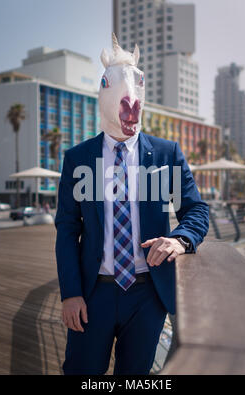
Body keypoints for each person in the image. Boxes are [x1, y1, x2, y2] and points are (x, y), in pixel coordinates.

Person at [55, 34, 209, 375]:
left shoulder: (167, 154)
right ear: (103, 91)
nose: (131, 103)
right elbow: (67, 230)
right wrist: (70, 293)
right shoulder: (78, 158)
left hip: (147, 295)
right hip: (91, 294)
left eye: (137, 89)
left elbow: (196, 210)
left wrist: (179, 239)